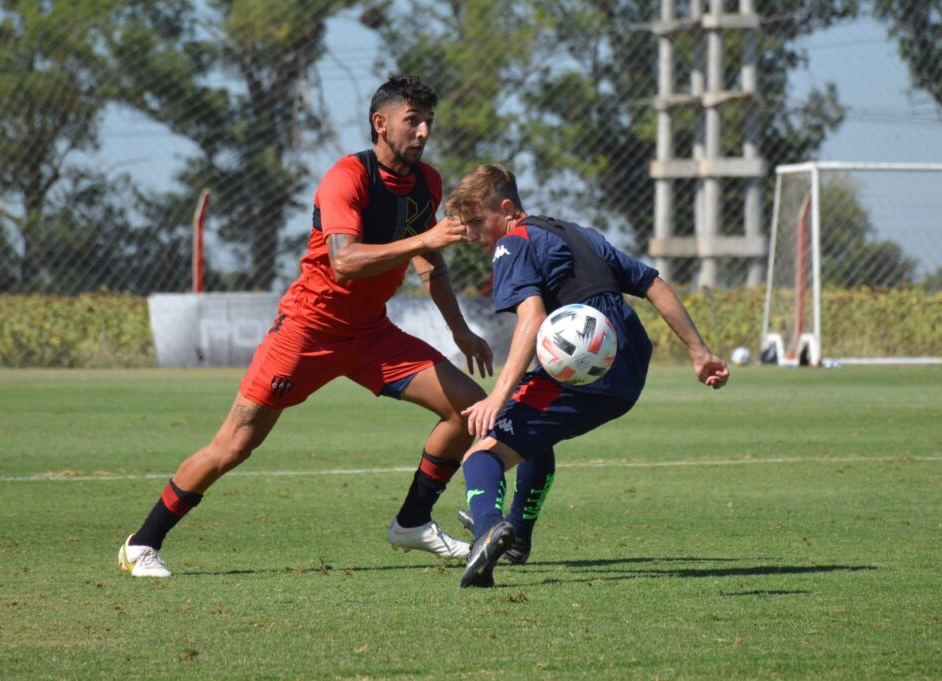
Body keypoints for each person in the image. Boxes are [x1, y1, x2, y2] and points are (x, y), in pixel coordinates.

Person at [118, 75, 494, 577]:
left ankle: (412, 522)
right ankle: (142, 543)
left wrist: (459, 329)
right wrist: (425, 239)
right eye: (413, 121)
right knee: (236, 444)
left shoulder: (428, 182)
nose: (424, 132)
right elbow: (345, 261)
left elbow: (429, 262)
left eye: (429, 121)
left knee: (469, 408)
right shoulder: (347, 177)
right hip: (307, 331)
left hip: (371, 335)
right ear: (380, 124)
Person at [444, 164, 729, 588]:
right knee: (532, 433)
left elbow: (532, 317)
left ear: (505, 210)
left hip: (582, 370)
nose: (471, 236)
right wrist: (699, 351)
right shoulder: (581, 233)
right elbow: (653, 283)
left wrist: (496, 397)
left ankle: (488, 526)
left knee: (482, 455)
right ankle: (517, 534)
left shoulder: (513, 242)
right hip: (628, 370)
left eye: (475, 223)